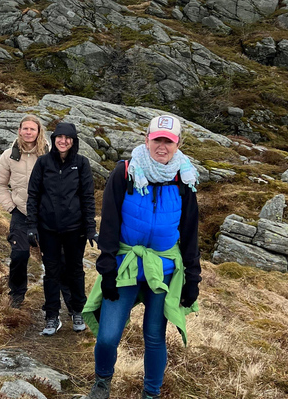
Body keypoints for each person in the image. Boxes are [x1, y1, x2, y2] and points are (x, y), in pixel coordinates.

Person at [83, 115, 201, 399]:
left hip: (163, 269)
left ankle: (151, 393)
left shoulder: (184, 179)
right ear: (146, 139)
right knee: (109, 334)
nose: (162, 146)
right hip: (125, 264)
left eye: (168, 141)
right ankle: (102, 382)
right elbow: (109, 222)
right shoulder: (125, 172)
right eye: (157, 139)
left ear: (177, 144)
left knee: (154, 336)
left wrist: (193, 279)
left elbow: (189, 231)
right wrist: (107, 266)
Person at [25, 121, 97, 335]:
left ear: (73, 141)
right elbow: (33, 196)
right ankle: (51, 316)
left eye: (68, 138)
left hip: (76, 230)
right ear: (53, 139)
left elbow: (87, 198)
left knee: (75, 271)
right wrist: (32, 226)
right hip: (49, 230)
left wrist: (90, 228)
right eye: (59, 137)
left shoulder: (82, 164)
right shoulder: (43, 163)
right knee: (52, 273)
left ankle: (78, 312)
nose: (63, 141)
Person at [0, 114, 50, 309]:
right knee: (19, 255)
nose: (28, 132)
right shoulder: (9, 155)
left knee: (53, 257)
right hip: (21, 213)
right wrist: (10, 206)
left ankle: (56, 299)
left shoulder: (47, 154)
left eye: (32, 129)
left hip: (46, 214)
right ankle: (16, 295)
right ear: (19, 131)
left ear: (38, 132)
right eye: (25, 128)